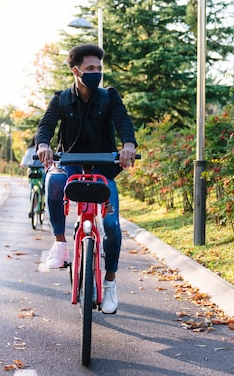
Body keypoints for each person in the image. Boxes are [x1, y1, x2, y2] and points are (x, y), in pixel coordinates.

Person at [35, 43, 137, 314]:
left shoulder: (109, 97)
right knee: (54, 181)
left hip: (103, 168)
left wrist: (128, 145)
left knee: (112, 225)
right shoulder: (60, 100)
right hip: (70, 165)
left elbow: (123, 122)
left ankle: (111, 281)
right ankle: (59, 243)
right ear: (75, 70)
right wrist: (43, 145)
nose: (96, 73)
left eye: (99, 68)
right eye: (90, 68)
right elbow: (45, 126)